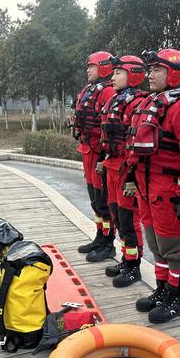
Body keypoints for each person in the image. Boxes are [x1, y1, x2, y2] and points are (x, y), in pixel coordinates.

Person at [126, 49, 180, 323]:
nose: (151, 75)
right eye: (151, 69)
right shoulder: (155, 102)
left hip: (168, 189)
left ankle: (176, 298)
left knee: (173, 247)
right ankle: (162, 290)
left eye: (157, 69)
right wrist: (133, 175)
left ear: (174, 73)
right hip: (147, 186)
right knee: (156, 244)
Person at [99, 56, 148, 287]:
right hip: (111, 165)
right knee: (117, 215)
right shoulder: (115, 100)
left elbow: (137, 140)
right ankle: (125, 258)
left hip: (125, 169)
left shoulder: (137, 102)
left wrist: (131, 175)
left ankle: (133, 264)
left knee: (129, 219)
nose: (113, 77)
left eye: (119, 72)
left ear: (133, 75)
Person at [73, 52, 116, 262]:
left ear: (103, 68)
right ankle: (99, 236)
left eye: (92, 66)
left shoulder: (107, 92)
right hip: (87, 150)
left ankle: (108, 243)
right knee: (94, 200)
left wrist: (104, 155)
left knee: (103, 201)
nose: (88, 70)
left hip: (99, 153)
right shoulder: (88, 90)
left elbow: (109, 127)